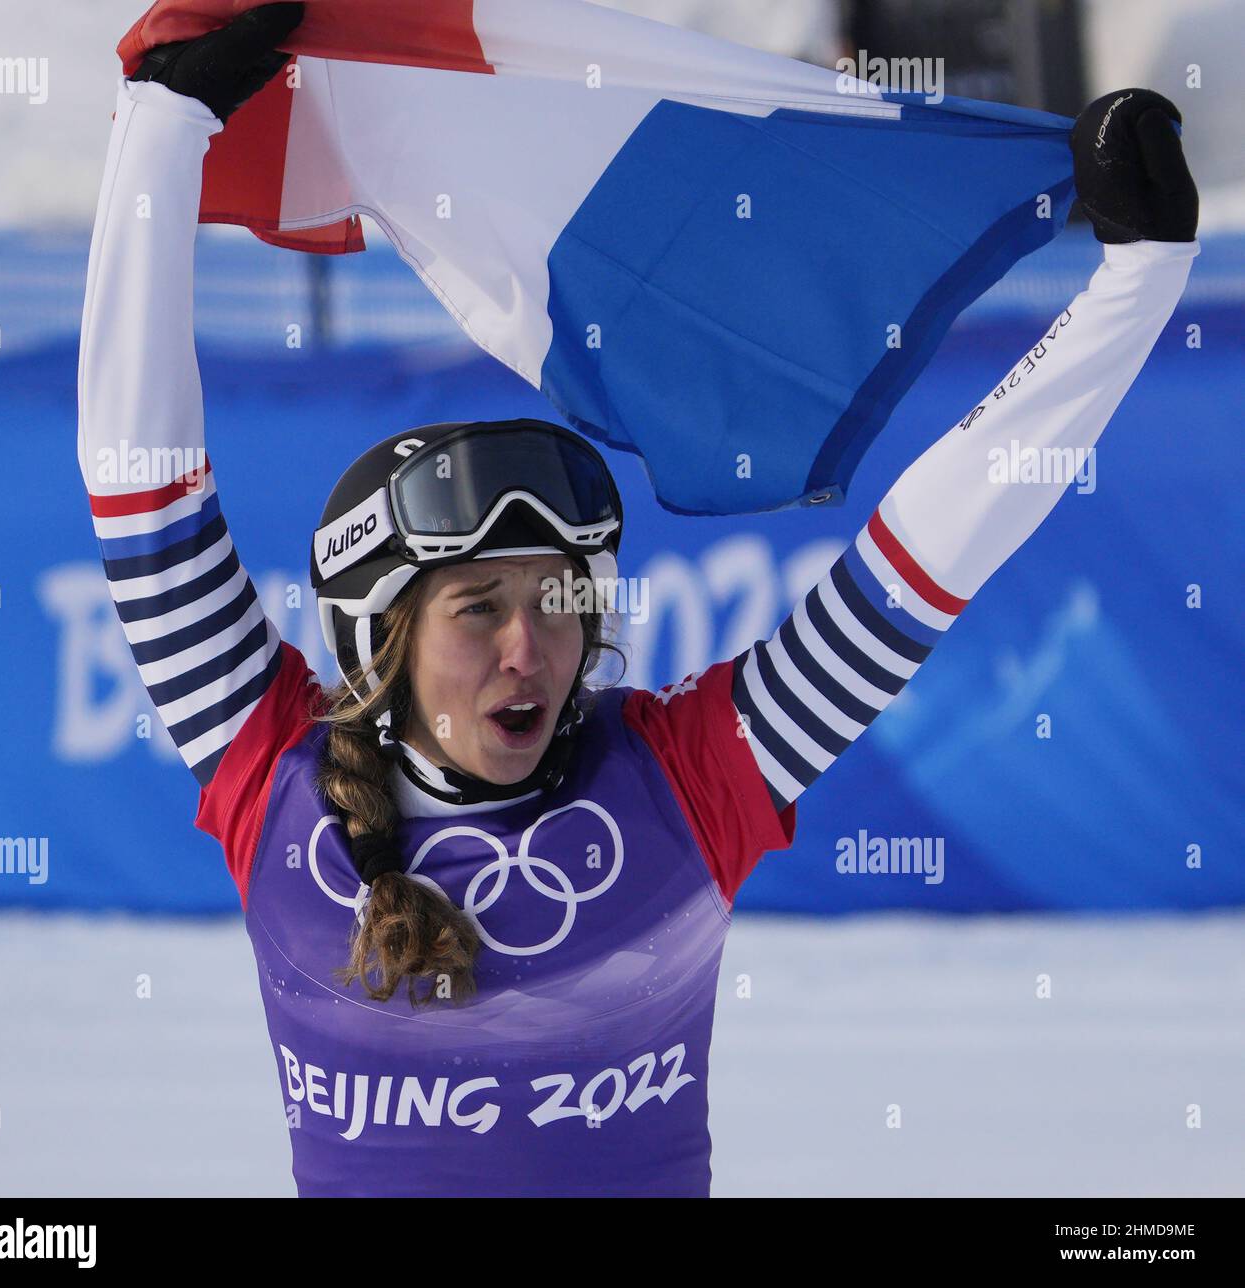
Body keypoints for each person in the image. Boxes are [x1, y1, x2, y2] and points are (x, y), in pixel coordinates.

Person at [77, 5, 1199, 1197]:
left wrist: (1134, 283)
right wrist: (164, 125)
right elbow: (140, 489)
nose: (532, 647)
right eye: (476, 610)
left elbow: (915, 566)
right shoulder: (274, 775)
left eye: (559, 597)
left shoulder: (688, 784)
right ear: (378, 639)